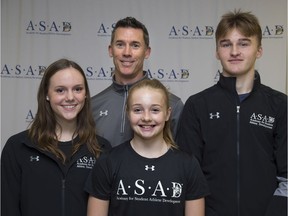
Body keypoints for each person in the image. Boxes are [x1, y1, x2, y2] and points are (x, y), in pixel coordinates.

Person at [176, 9, 287, 216]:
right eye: (226, 44)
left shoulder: (280, 105)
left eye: (244, 43)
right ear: (217, 51)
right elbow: (187, 175)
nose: (234, 51)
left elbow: (287, 177)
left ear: (259, 50)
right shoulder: (197, 105)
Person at [1, 59, 111, 216]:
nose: (70, 97)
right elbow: (9, 208)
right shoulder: (18, 147)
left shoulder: (102, 149)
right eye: (60, 90)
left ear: (86, 94)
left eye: (78, 89)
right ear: (47, 94)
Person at [85, 79, 209, 216]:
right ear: (128, 113)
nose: (146, 117)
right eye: (137, 110)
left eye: (155, 110)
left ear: (168, 113)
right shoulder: (108, 162)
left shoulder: (188, 165)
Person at [90, 16, 183, 147]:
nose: (127, 52)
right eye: (120, 44)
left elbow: (181, 160)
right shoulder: (92, 106)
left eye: (135, 45)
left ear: (147, 52)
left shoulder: (173, 104)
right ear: (110, 50)